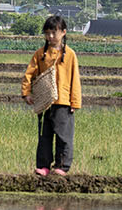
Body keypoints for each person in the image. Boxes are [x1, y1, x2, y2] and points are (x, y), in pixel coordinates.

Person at [19, 14, 82, 177]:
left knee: (63, 136)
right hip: (44, 102)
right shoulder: (40, 54)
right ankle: (43, 166)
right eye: (47, 33)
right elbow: (29, 73)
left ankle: (62, 166)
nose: (51, 36)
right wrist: (26, 93)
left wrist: (75, 103)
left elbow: (75, 79)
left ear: (63, 33)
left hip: (63, 101)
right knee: (44, 135)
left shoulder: (70, 55)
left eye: (54, 33)